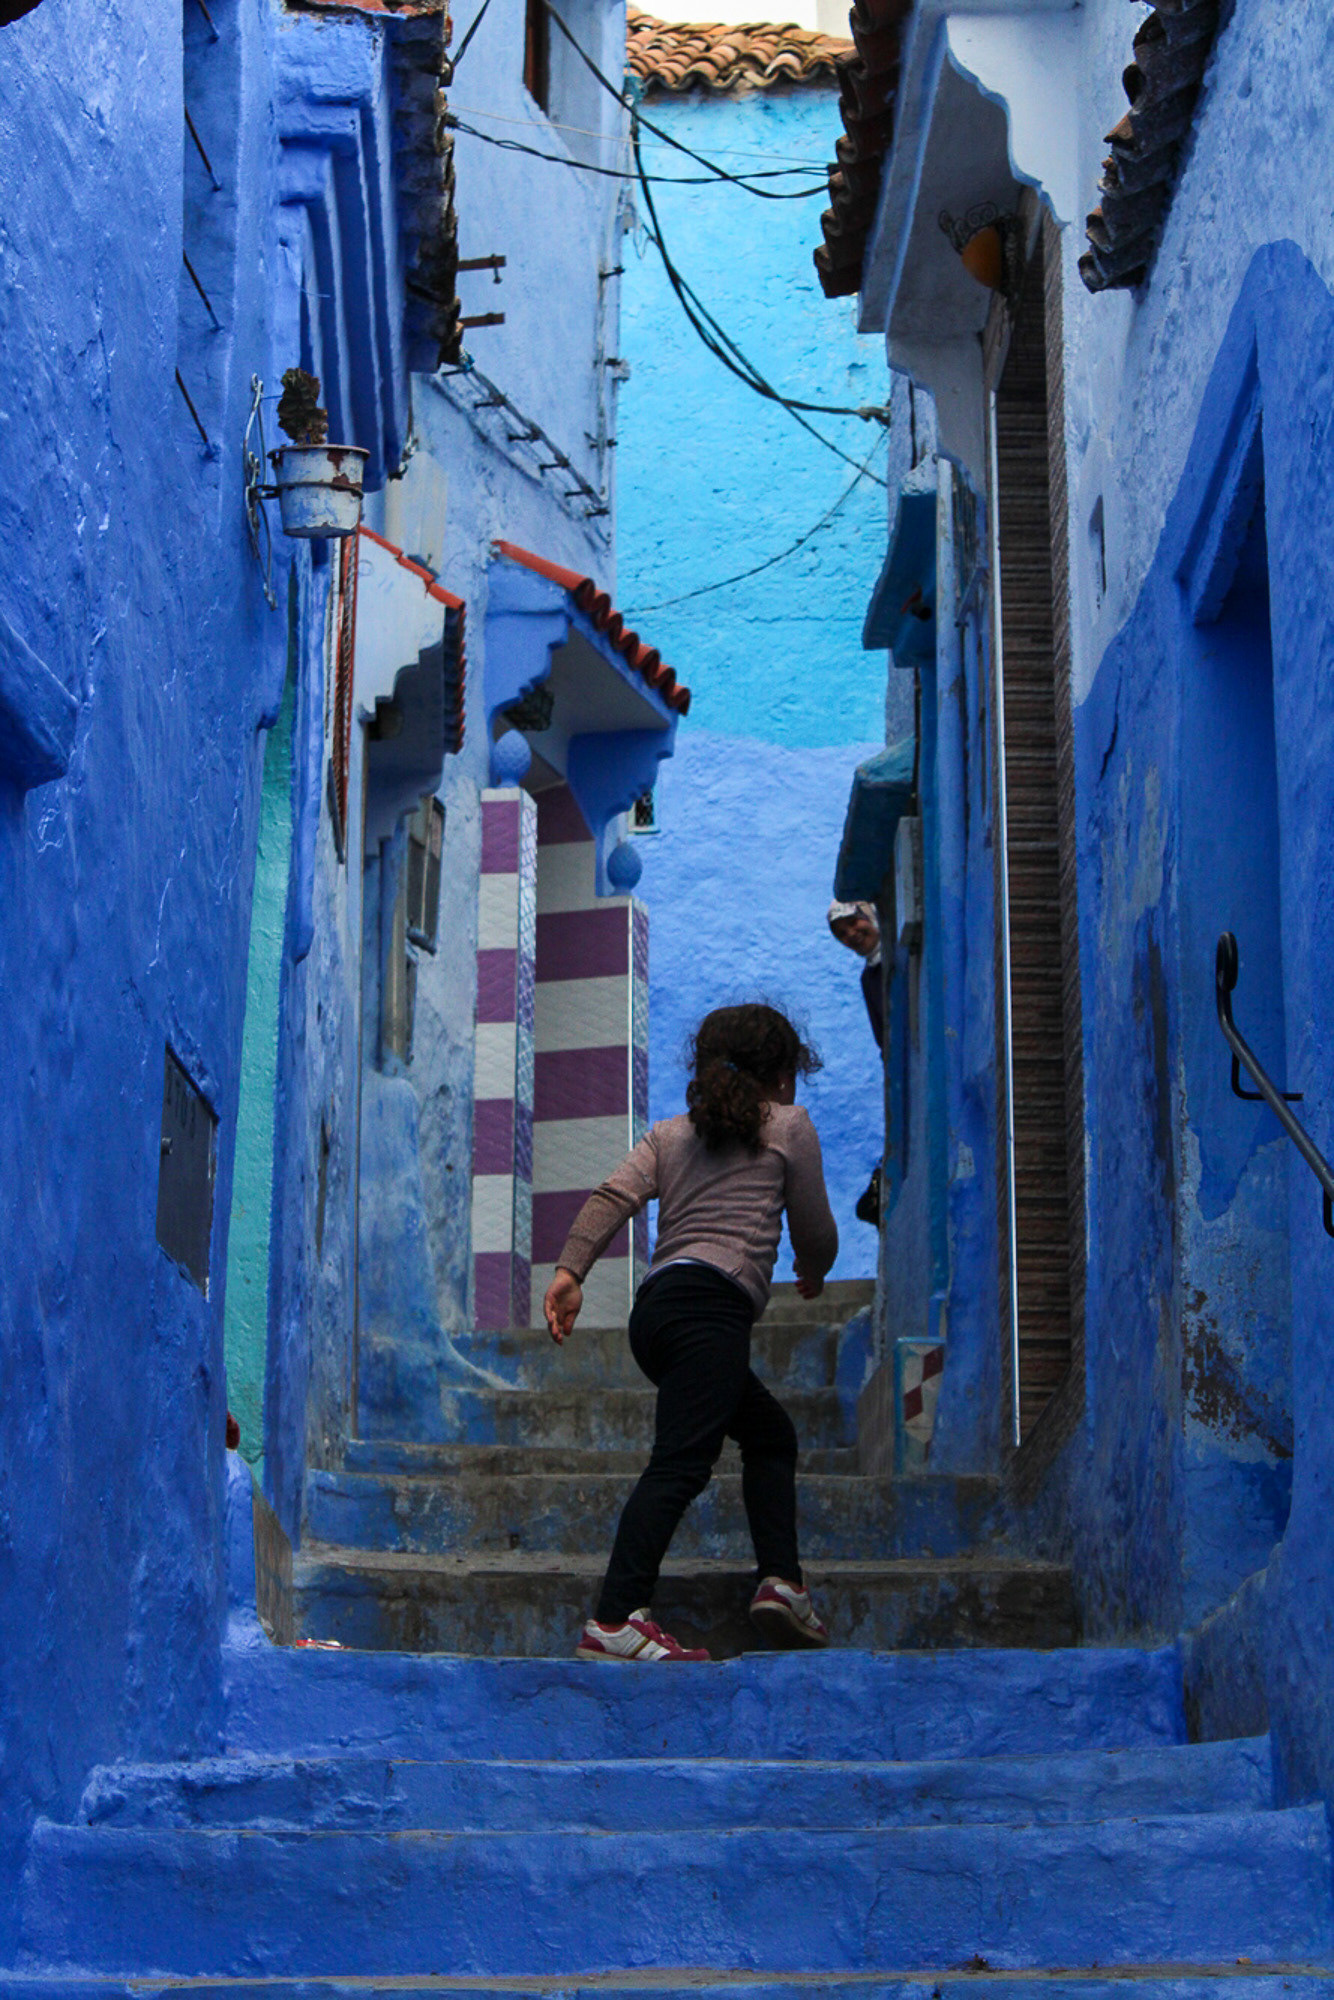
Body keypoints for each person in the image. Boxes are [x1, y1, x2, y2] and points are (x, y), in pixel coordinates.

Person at [543, 1003, 839, 1664]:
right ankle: (615, 1617)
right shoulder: (789, 1126)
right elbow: (815, 1229)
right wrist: (813, 1269)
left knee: (769, 1434)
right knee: (681, 1462)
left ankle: (782, 1583)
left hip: (656, 1314)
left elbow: (611, 1197)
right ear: (784, 1078)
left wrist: (570, 1272)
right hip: (712, 1311)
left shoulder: (669, 1135)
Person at [827, 899, 885, 1225]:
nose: (851, 934)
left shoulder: (899, 957)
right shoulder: (869, 978)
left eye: (853, 922)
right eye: (841, 933)